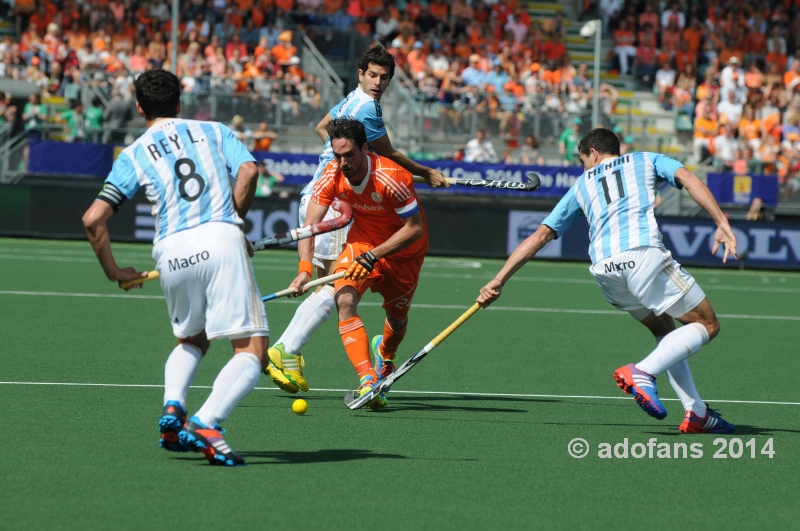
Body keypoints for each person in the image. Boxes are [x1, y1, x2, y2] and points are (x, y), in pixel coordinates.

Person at [476, 128, 738, 434]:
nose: (583, 166)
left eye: (582, 159)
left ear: (593, 153)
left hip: (605, 269)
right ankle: (643, 372)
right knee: (707, 325)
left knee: (665, 330)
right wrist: (721, 222)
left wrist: (498, 279)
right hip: (642, 255)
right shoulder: (646, 159)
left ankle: (696, 412)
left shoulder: (580, 186)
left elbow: (540, 235)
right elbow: (690, 180)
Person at [81, 69, 266, 466]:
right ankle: (207, 421)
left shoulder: (132, 154)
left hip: (170, 252)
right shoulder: (215, 131)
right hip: (219, 238)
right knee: (252, 350)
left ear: (140, 108)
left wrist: (115, 272)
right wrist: (233, 224)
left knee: (193, 340)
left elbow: (93, 219)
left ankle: (173, 409)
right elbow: (249, 171)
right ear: (180, 104)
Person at [264, 46, 447, 395]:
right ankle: (286, 350)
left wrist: (334, 157)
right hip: (336, 200)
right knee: (338, 289)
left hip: (325, 194)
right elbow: (389, 153)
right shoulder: (367, 110)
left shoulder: (352, 100)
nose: (378, 82)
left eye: (384, 77)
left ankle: (287, 351)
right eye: (373, 75)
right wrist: (425, 173)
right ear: (360, 74)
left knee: (332, 286)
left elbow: (323, 127)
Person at [287, 117, 428, 410]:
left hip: (404, 251)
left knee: (398, 320)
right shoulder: (331, 175)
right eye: (337, 155)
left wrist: (376, 255)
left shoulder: (391, 176)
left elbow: (414, 228)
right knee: (344, 298)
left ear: (365, 148)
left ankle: (385, 358)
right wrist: (303, 270)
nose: (342, 163)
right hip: (362, 242)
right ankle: (367, 379)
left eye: (349, 154)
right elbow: (309, 227)